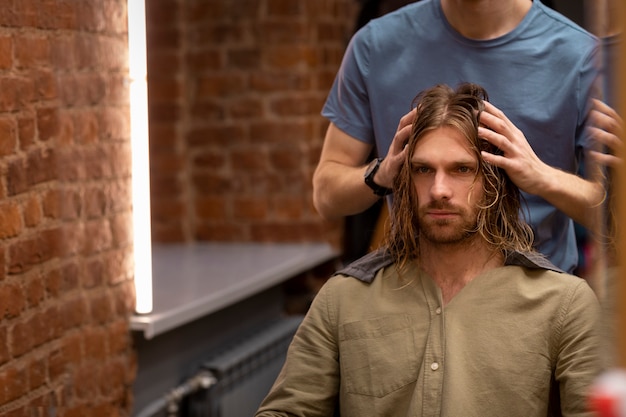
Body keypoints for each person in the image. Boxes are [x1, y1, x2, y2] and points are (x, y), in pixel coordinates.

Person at [255, 83, 603, 417]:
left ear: (494, 181)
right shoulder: (343, 298)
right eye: (423, 170)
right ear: (403, 180)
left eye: (461, 169)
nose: (439, 190)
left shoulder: (563, 303)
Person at [313, 0, 613, 274]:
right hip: (413, 295)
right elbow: (327, 197)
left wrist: (542, 177)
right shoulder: (375, 46)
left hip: (535, 301)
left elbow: (617, 219)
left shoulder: (581, 58)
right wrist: (382, 174)